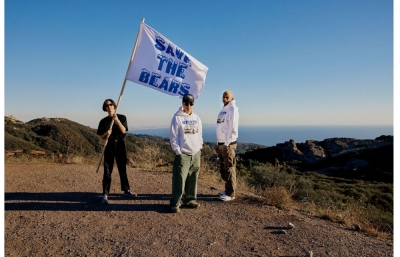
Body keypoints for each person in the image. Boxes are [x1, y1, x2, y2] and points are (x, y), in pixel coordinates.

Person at [97, 99, 137, 204]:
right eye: (107, 105)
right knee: (107, 170)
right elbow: (101, 136)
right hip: (109, 146)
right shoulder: (103, 121)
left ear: (114, 106)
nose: (109, 106)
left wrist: (117, 120)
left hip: (120, 144)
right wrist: (106, 133)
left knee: (122, 169)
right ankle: (105, 194)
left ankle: (126, 190)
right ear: (105, 108)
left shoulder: (122, 117)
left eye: (110, 104)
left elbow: (123, 130)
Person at [169, 94, 203, 213]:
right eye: (186, 103)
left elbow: (199, 135)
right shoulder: (177, 118)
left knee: (193, 178)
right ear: (182, 104)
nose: (188, 106)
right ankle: (175, 203)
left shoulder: (197, 118)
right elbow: (173, 137)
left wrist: (200, 147)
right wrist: (178, 152)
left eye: (191, 104)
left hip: (195, 153)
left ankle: (190, 200)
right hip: (183, 154)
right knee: (179, 179)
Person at [215, 90, 239, 201]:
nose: (224, 99)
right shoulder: (223, 110)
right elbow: (221, 127)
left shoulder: (233, 110)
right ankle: (227, 190)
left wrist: (227, 144)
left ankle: (231, 194)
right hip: (221, 143)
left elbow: (233, 129)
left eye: (227, 97)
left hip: (228, 144)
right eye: (223, 96)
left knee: (230, 168)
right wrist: (218, 143)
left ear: (231, 98)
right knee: (224, 167)